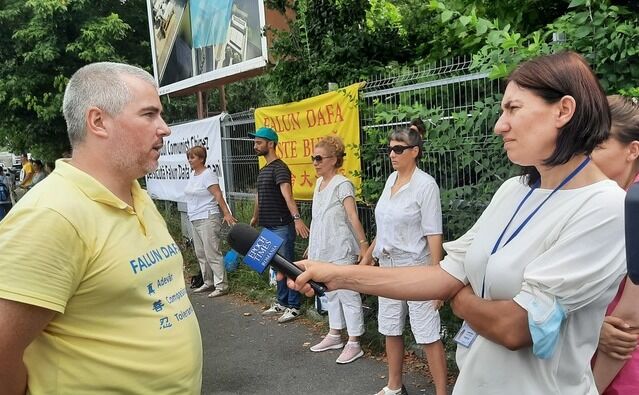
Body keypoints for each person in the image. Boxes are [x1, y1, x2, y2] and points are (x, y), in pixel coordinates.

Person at [289, 51, 627, 394]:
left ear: (563, 110)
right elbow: (443, 275)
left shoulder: (605, 207)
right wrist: (336, 275)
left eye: (513, 108)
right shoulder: (514, 189)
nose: (500, 125)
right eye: (501, 111)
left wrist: (459, 299)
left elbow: (517, 327)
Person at [0, 62, 202, 394]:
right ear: (98, 121)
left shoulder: (138, 195)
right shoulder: (52, 215)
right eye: (149, 114)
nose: (164, 128)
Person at [359, 127, 447, 395]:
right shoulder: (390, 181)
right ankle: (394, 386)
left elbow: (434, 234)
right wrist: (368, 256)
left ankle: (443, 392)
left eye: (398, 149)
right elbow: (384, 226)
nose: (392, 154)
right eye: (390, 149)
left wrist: (437, 280)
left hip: (416, 268)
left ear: (414, 151)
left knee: (427, 333)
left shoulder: (425, 185)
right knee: (389, 327)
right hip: (387, 266)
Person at [591, 95, 639, 394]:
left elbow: (628, 322)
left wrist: (588, 390)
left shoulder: (634, 204)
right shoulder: (612, 199)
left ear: (632, 150)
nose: (586, 155)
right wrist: (593, 329)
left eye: (598, 145)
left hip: (619, 376)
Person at [306, 135, 369, 364]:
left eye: (319, 158)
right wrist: (312, 244)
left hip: (340, 246)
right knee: (330, 291)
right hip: (323, 246)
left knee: (347, 292)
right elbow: (318, 217)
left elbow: (352, 216)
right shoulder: (318, 184)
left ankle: (354, 341)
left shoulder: (343, 184)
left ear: (334, 160)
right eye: (313, 158)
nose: (315, 162)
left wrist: (363, 246)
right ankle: (335, 333)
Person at [249, 126, 309, 323]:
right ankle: (281, 302)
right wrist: (255, 217)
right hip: (267, 225)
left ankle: (294, 306)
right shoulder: (264, 169)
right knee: (276, 267)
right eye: (255, 142)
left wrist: (297, 219)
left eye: (259, 142)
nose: (255, 145)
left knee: (288, 266)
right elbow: (259, 197)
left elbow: (288, 196)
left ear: (271, 144)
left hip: (282, 225)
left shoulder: (280, 168)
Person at [185, 145, 237, 297]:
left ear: (201, 159)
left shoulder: (208, 174)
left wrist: (226, 213)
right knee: (201, 253)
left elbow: (217, 194)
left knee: (212, 252)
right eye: (188, 157)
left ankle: (221, 285)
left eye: (192, 157)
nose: (189, 160)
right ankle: (208, 282)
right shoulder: (193, 174)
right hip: (194, 217)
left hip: (208, 217)